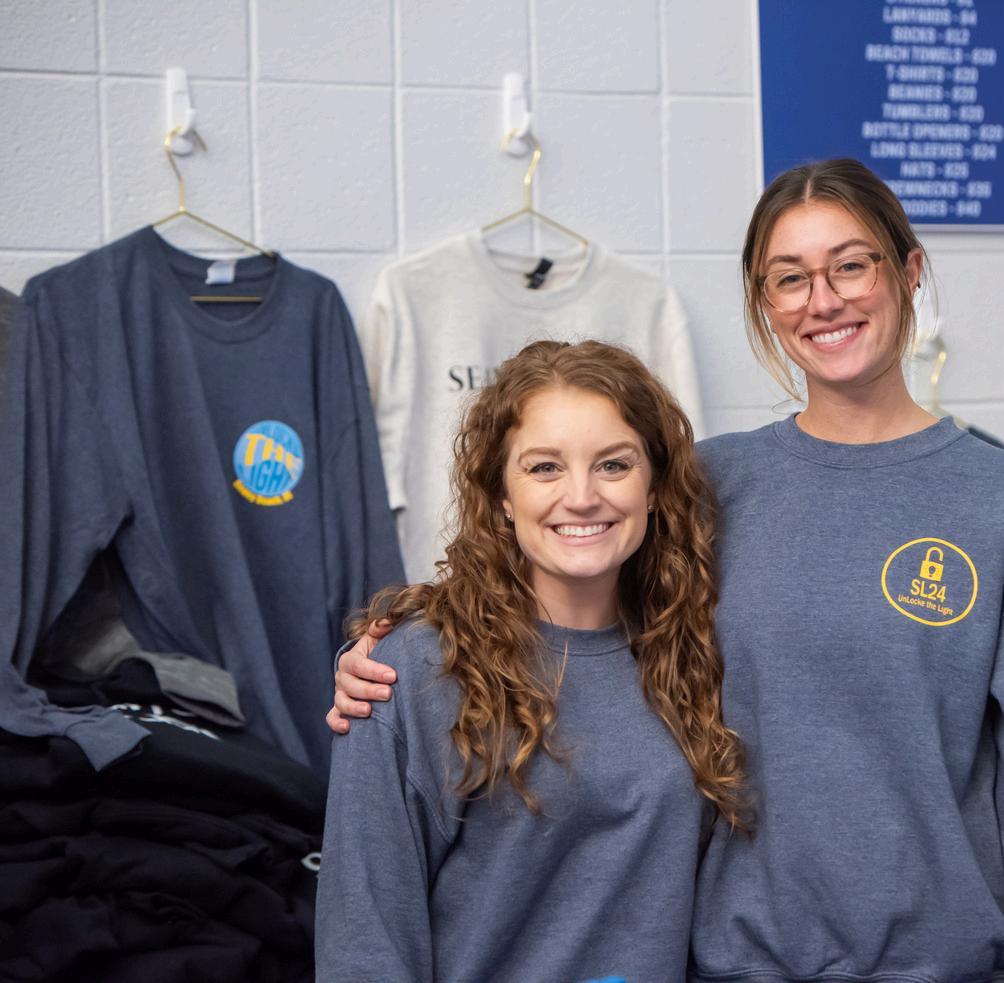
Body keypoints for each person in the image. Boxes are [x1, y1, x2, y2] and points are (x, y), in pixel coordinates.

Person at [330, 159, 1004, 981]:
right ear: (764, 301)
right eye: (791, 277)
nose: (824, 299)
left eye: (851, 265)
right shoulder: (709, 486)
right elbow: (563, 582)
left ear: (909, 271)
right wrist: (393, 653)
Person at [315, 340, 749, 982]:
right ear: (500, 494)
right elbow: (365, 940)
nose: (581, 496)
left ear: (655, 487)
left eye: (613, 464)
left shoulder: (692, 650)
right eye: (544, 467)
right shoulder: (413, 666)